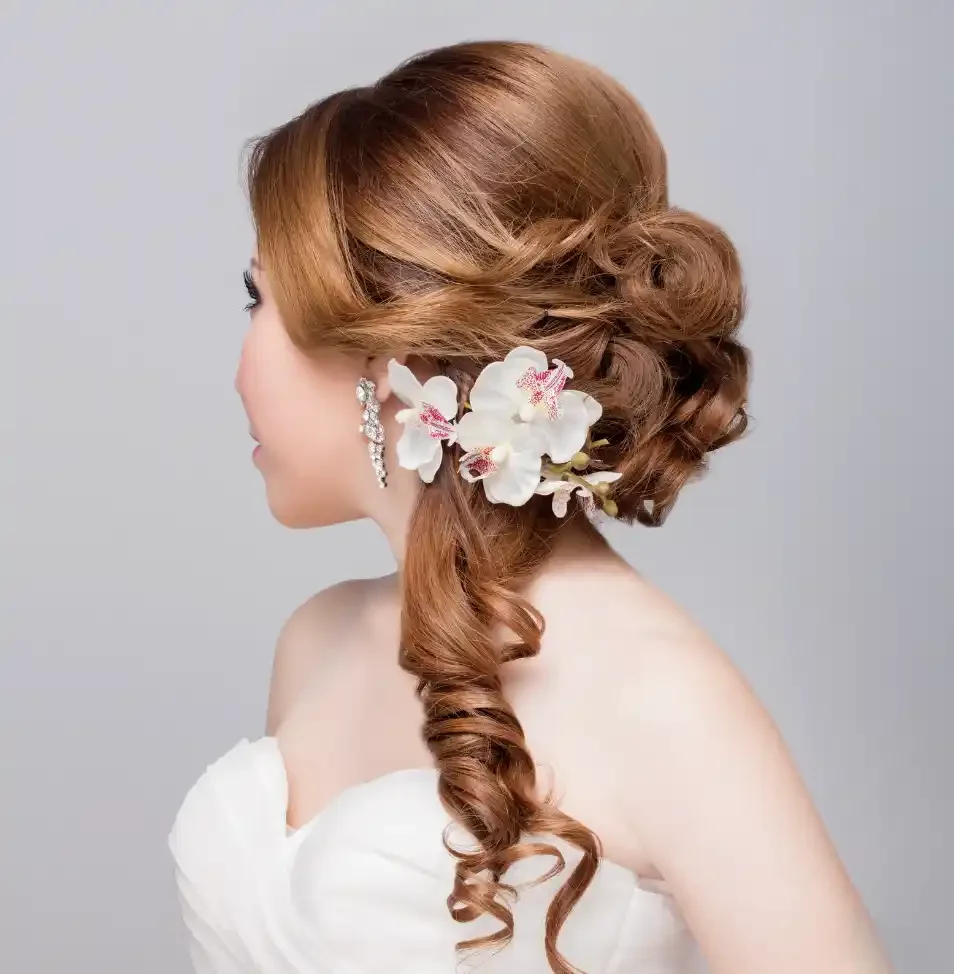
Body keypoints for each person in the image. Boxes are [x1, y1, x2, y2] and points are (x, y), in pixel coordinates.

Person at [168, 39, 892, 974]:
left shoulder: (661, 694)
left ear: (393, 353)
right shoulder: (316, 640)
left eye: (258, 299)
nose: (238, 362)